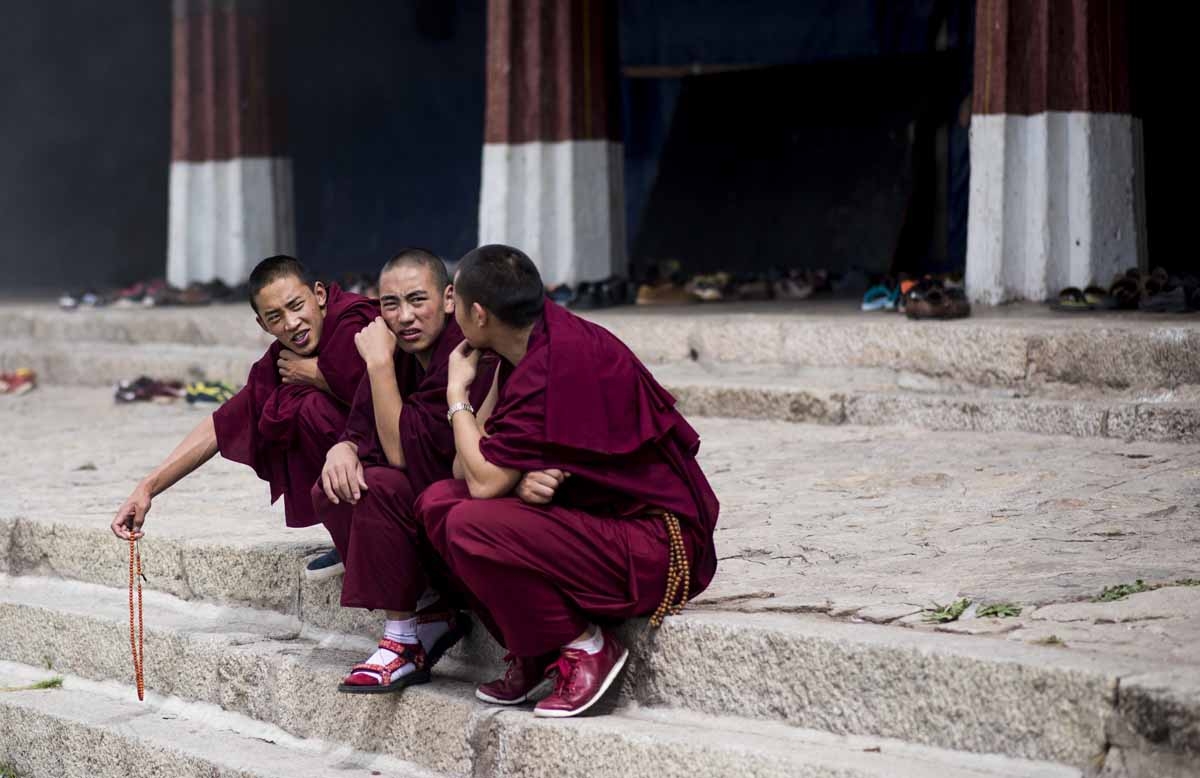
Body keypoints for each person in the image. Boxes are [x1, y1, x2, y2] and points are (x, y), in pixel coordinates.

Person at [416, 244, 720, 718]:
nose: (450, 314)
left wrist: (458, 395)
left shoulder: (562, 357)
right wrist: (512, 476)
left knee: (470, 522)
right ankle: (536, 648)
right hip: (598, 524)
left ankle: (587, 647)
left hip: (658, 546)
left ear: (478, 313)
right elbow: (467, 470)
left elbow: (480, 484)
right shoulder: (522, 346)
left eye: (457, 305)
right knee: (437, 503)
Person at [110, 256, 376, 574]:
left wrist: (319, 375)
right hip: (355, 465)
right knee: (292, 406)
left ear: (319, 295)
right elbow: (218, 427)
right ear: (262, 325)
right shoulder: (280, 362)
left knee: (308, 407)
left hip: (405, 459)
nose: (291, 324)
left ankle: (372, 535)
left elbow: (390, 395)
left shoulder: (356, 322)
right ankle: (351, 535)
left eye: (296, 306)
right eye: (275, 317)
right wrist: (147, 488)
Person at [313, 249, 494, 694]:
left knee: (378, 485)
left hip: (467, 510)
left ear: (449, 299)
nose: (405, 316)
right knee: (334, 485)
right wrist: (344, 445)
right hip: (429, 507)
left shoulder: (464, 351)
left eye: (418, 300)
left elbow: (398, 453)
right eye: (391, 305)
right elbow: (362, 425)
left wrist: (375, 364)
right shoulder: (398, 349)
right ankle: (429, 609)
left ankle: (402, 643)